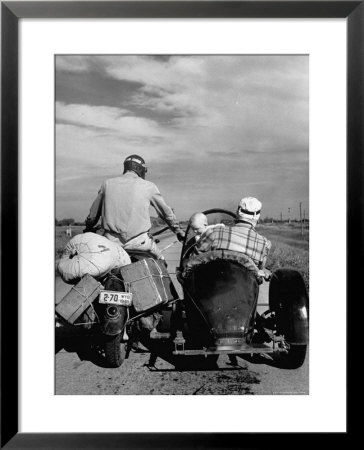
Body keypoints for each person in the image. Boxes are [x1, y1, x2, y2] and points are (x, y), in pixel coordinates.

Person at [85, 154, 185, 261]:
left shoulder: (107, 184)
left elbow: (92, 216)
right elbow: (166, 213)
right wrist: (178, 231)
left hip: (111, 244)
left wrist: (89, 227)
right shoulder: (149, 186)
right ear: (140, 169)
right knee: (161, 264)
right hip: (140, 243)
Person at [194, 197, 271, 278]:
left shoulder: (214, 231)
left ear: (238, 211)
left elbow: (197, 256)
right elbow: (260, 270)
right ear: (257, 216)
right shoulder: (264, 243)